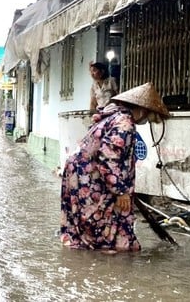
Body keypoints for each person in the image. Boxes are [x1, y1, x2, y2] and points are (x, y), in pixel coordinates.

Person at [59, 82, 170, 252]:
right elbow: (108, 156)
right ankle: (107, 256)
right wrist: (120, 190)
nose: (146, 120)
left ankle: (93, 253)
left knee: (90, 221)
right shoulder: (125, 123)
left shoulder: (114, 115)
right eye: (148, 116)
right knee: (100, 220)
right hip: (88, 176)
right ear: (141, 110)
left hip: (81, 172)